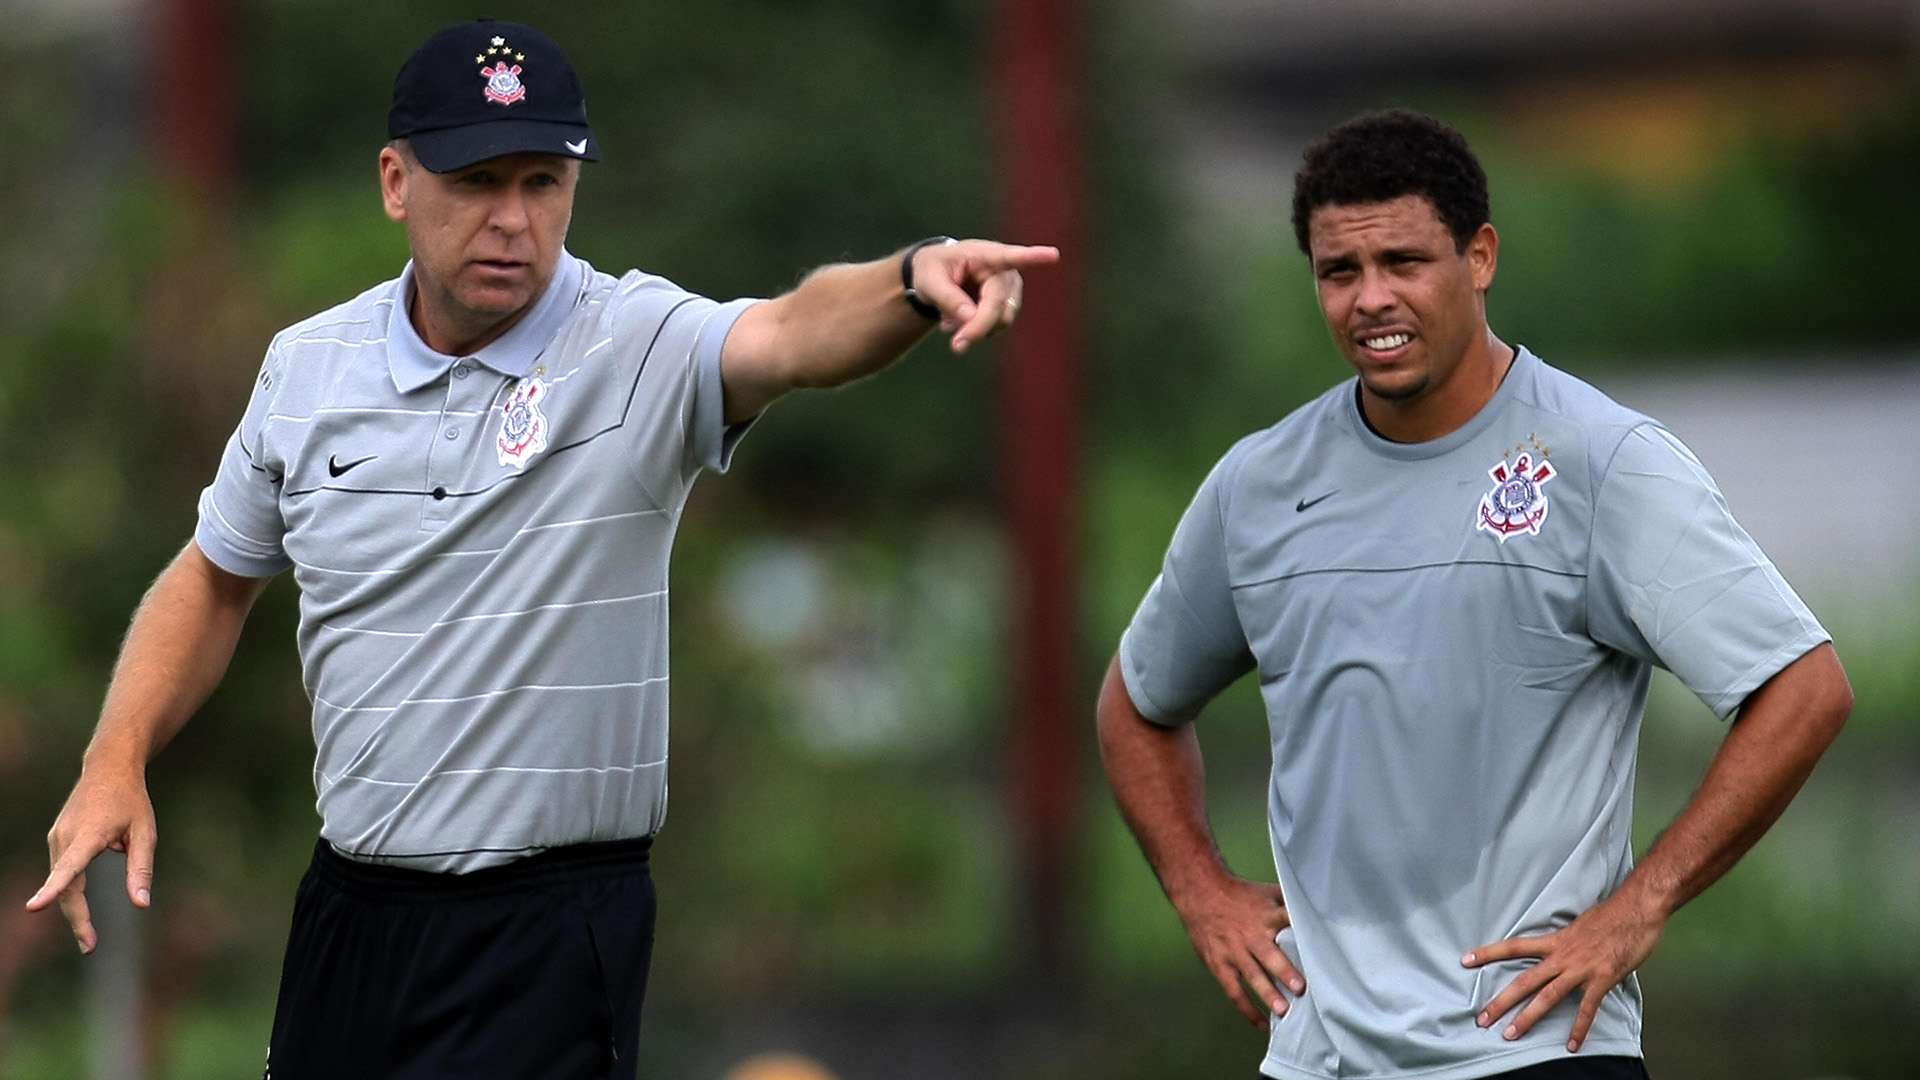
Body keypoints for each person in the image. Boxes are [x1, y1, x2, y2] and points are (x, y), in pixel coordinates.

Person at [27, 18, 1056, 1078]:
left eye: (542, 181)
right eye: (476, 181)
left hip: (547, 930)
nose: (513, 219)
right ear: (395, 181)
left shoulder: (638, 344)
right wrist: (116, 759)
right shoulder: (306, 369)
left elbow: (794, 333)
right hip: (350, 909)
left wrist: (910, 275)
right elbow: (215, 576)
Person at [1096, 109, 1851, 1080]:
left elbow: (1804, 688)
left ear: (1480, 257)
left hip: (1533, 1049)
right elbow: (1136, 704)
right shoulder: (1258, 487)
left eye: (1404, 262)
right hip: (1318, 1059)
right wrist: (1202, 892)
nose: (1371, 299)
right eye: (1340, 272)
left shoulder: (1601, 462)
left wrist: (1637, 909)